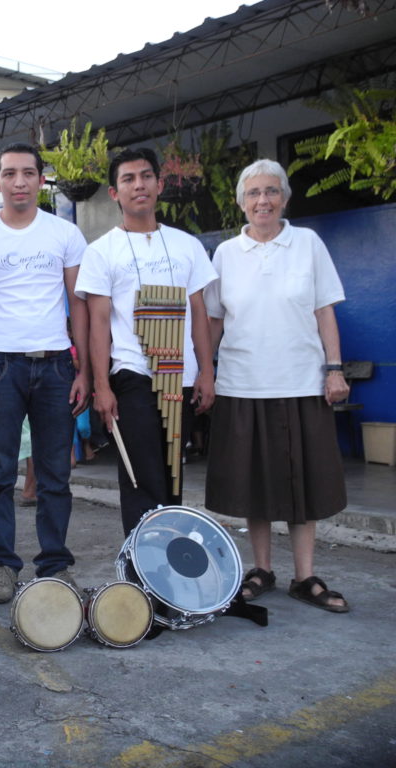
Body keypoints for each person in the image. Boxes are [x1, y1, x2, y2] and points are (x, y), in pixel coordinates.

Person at [203, 159, 350, 613]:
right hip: (242, 383)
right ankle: (261, 569)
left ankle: (305, 577)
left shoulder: (307, 243)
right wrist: (203, 374)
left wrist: (334, 368)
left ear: (284, 198)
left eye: (271, 191)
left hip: (302, 381)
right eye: (253, 193)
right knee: (255, 481)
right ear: (241, 203)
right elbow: (213, 320)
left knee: (302, 483)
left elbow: (325, 310)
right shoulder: (226, 253)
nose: (262, 200)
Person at [0, 142, 90, 604]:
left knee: (55, 474)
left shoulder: (65, 234)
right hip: (0, 365)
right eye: (9, 173)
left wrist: (84, 370)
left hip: (56, 364)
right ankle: (1, 567)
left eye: (28, 173)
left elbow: (79, 305)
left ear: (40, 180)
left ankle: (54, 565)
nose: (19, 182)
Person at [75, 147, 216, 535]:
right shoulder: (101, 251)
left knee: (173, 479)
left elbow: (199, 315)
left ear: (159, 184)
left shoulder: (187, 245)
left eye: (146, 176)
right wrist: (102, 387)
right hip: (132, 377)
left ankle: (169, 570)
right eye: (128, 179)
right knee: (140, 478)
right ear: (114, 193)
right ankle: (140, 577)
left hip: (181, 378)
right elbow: (98, 324)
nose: (139, 185)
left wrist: (206, 372)